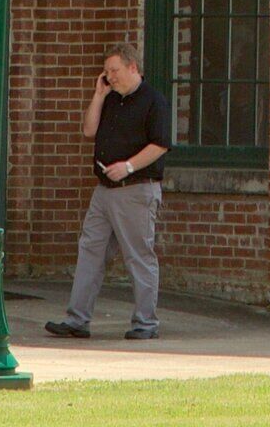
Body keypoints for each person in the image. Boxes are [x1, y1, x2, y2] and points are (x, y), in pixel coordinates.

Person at [43, 42, 170, 339]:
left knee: (138, 256)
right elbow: (89, 130)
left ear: (132, 67)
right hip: (104, 190)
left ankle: (145, 323)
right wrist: (99, 96)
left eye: (114, 70)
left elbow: (160, 144)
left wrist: (128, 166)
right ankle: (77, 319)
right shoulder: (110, 99)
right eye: (106, 71)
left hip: (136, 189)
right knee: (90, 251)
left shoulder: (154, 101)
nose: (109, 76)